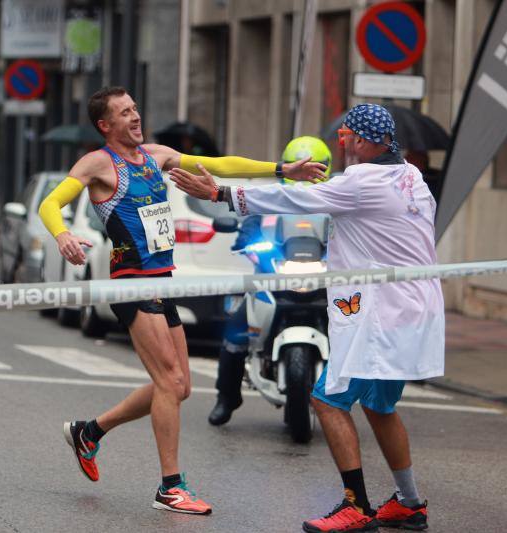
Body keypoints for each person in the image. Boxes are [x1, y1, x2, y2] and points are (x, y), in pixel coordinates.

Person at [37, 86, 326, 516]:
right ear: (105, 125)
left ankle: (90, 432)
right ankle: (170, 486)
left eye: (135, 108)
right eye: (124, 113)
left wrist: (283, 169)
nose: (135, 117)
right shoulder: (98, 163)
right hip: (131, 283)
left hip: (162, 281)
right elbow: (51, 202)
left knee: (179, 387)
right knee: (170, 383)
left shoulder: (156, 155)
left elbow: (221, 165)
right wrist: (62, 235)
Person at [170, 103, 444, 532]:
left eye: (347, 135)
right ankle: (409, 503)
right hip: (415, 310)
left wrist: (223, 193)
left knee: (328, 399)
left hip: (379, 314)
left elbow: (296, 198)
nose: (342, 141)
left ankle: (356, 505)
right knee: (379, 405)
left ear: (365, 141)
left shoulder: (362, 181)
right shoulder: (411, 177)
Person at [209, 136, 333, 426]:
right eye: (300, 164)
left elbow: (353, 233)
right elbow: (249, 225)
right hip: (273, 278)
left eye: (315, 165)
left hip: (324, 280)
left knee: (355, 327)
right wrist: (247, 242)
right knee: (236, 331)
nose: (307, 169)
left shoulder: (334, 198)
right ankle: (226, 397)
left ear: (326, 167)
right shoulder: (270, 196)